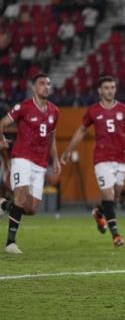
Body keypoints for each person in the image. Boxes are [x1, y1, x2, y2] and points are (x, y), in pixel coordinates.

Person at [60, 75, 125, 248]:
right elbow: (81, 131)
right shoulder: (93, 111)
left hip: (121, 158)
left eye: (112, 87)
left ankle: (99, 212)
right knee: (108, 194)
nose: (110, 90)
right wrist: (68, 150)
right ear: (99, 90)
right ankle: (116, 235)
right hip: (102, 158)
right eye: (106, 88)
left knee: (116, 196)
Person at [0, 73, 61, 254]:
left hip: (40, 163)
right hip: (22, 157)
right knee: (21, 196)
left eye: (48, 84)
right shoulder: (24, 107)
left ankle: (3, 205)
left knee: (32, 208)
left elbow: (52, 137)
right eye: (42, 84)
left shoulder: (55, 111)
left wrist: (56, 158)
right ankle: (10, 243)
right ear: (33, 87)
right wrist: (2, 139)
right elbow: (2, 122)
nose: (46, 87)